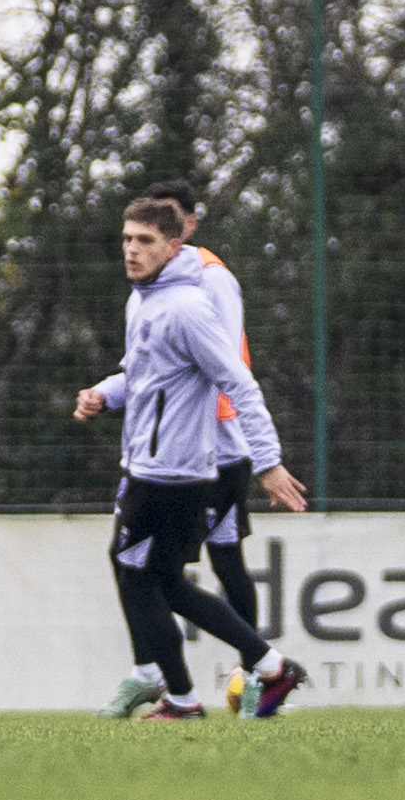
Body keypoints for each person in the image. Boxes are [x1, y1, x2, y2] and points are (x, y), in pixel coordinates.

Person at [72, 195, 313, 717]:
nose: (131, 251)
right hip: (149, 465)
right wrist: (104, 394)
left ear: (173, 245)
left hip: (173, 472)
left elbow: (239, 384)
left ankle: (184, 694)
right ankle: (267, 668)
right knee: (163, 583)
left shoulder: (187, 306)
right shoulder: (143, 300)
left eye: (145, 241)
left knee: (136, 574)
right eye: (127, 239)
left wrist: (268, 463)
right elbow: (143, 378)